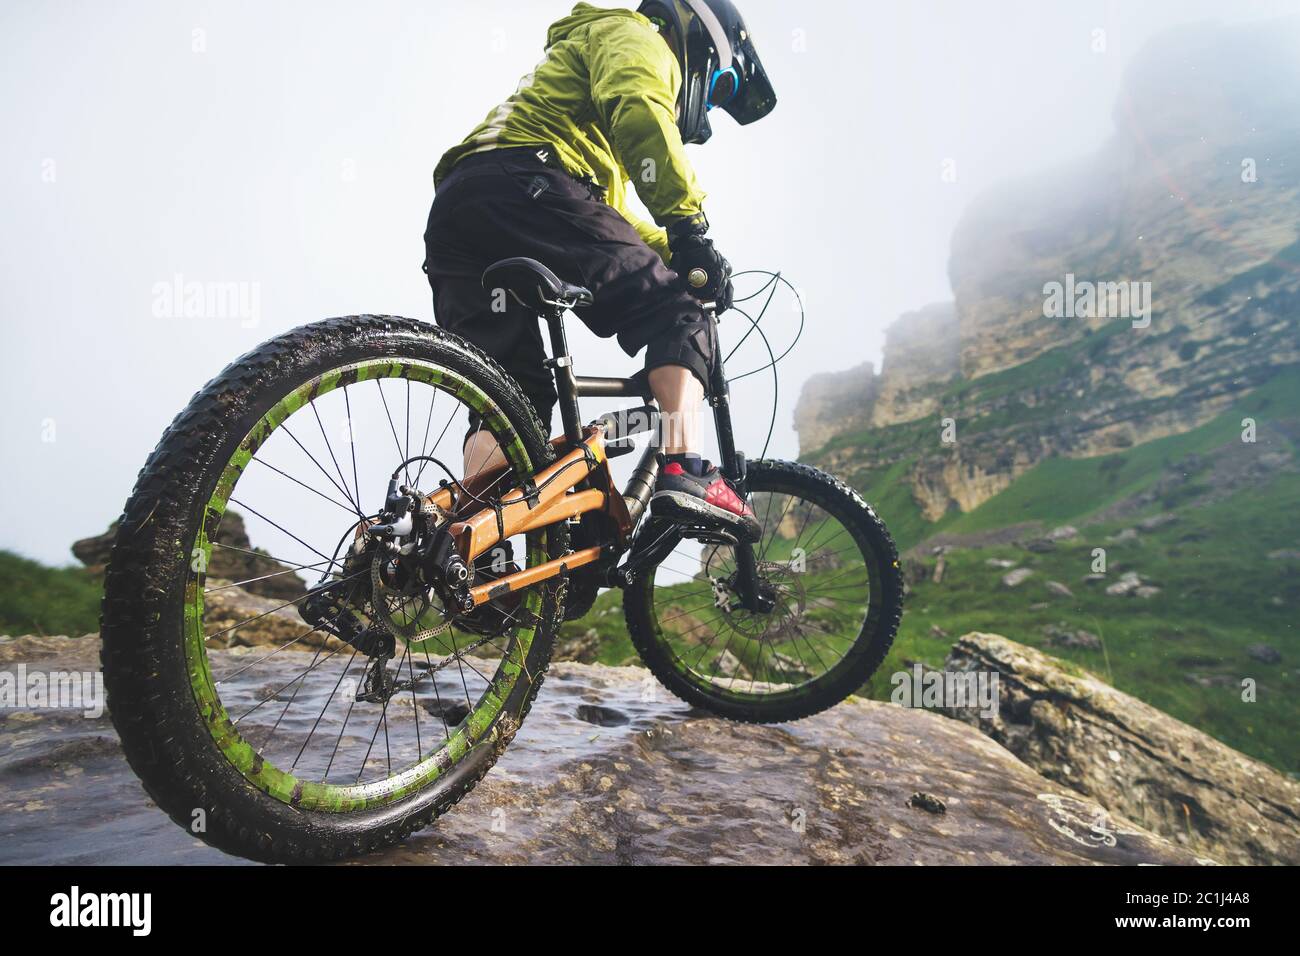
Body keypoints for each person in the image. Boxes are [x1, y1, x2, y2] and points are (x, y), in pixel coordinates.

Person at [423, 0, 775, 536]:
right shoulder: (633, 34)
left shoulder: (580, 116)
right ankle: (687, 471)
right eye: (721, 89)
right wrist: (690, 230)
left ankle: (465, 544)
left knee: (511, 396)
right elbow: (638, 105)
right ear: (704, 42)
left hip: (465, 206)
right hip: (529, 180)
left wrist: (677, 253)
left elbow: (613, 220)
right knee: (677, 316)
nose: (708, 105)